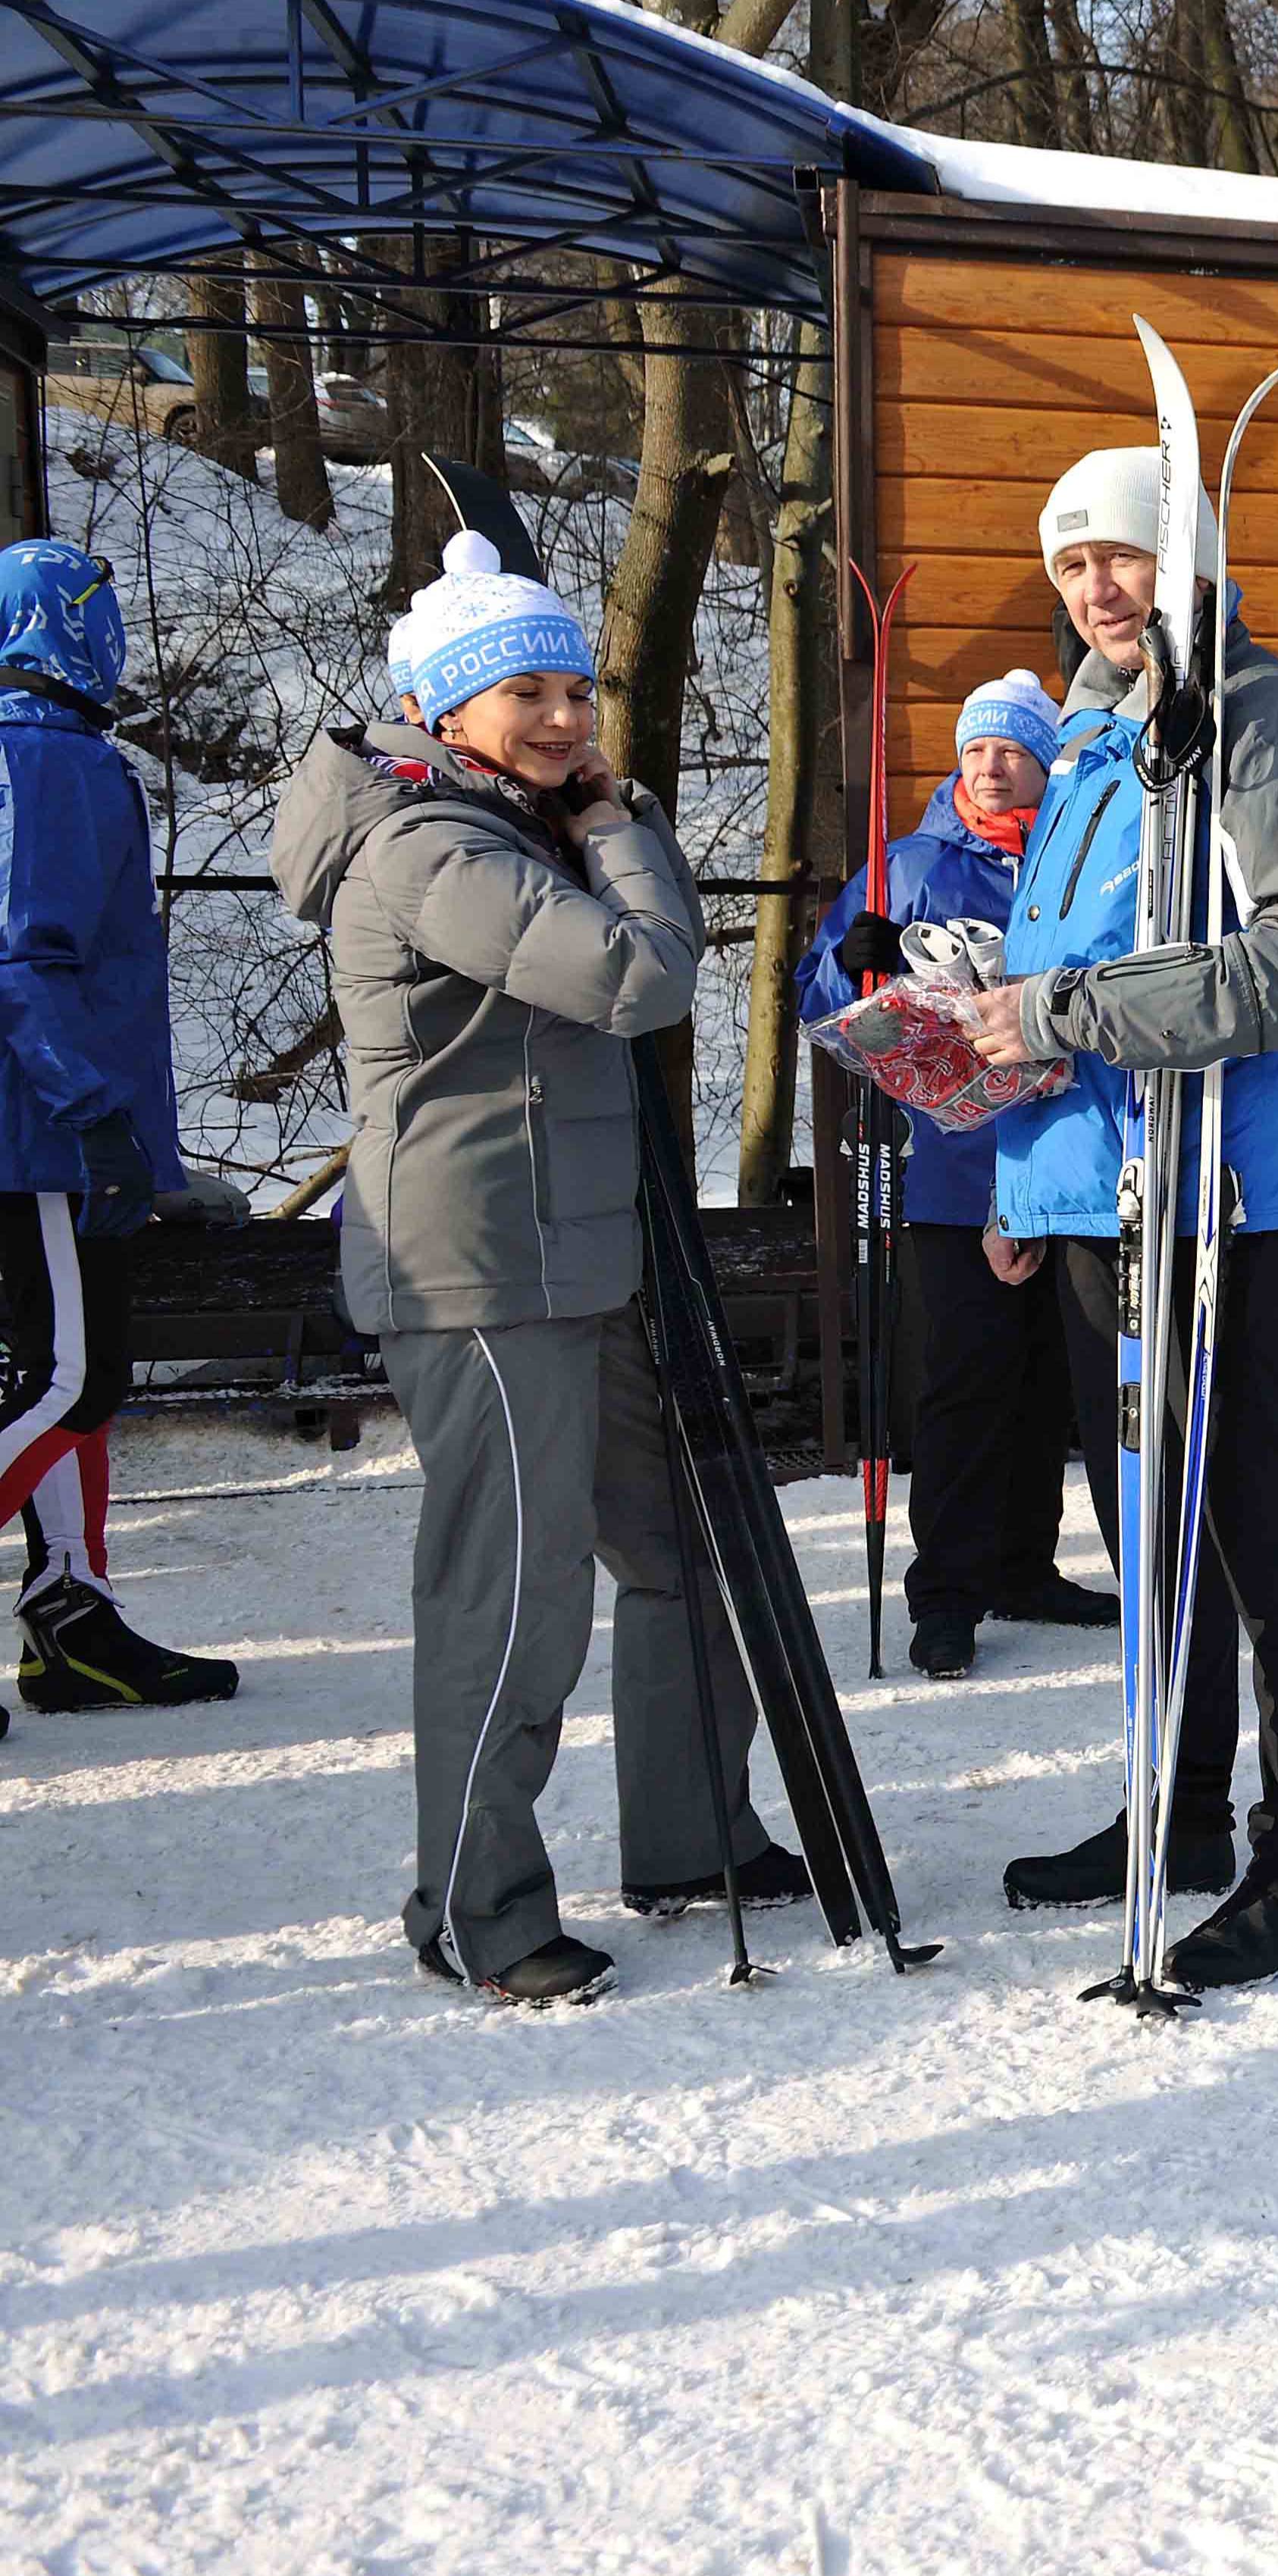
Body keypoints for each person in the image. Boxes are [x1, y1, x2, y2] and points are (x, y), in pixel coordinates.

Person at [266, 527, 799, 2006]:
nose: (565, 719)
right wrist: (619, 817)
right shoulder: (435, 846)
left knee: (680, 1547)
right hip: (485, 1275)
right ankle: (477, 1906)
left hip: (576, 1262)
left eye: (577, 690)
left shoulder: (504, 824)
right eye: (529, 695)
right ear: (448, 709)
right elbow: (637, 976)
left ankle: (690, 1836)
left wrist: (582, 817)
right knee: (512, 1595)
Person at [954, 446, 1278, 1991]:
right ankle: (1182, 1809)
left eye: (1121, 557)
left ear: (1187, 556)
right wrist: (1016, 1162)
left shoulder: (1267, 724)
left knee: (1269, 1538)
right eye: (1071, 567)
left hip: (1233, 1202)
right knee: (1153, 1542)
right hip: (1091, 1199)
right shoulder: (1087, 747)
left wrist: (1060, 1012)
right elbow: (1059, 981)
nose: (1097, 589)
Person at [792, 668, 1117, 1680]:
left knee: (1051, 1382)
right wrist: (860, 960)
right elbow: (823, 990)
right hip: (954, 1165)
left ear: (1044, 760)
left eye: (1011, 748)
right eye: (976, 749)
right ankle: (946, 1591)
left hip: (1064, 1158)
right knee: (965, 1383)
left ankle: (1024, 1562)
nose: (990, 765)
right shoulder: (916, 864)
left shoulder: (1074, 857)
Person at [0, 537, 233, 1719]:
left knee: (62, 1375)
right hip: (42, 1125)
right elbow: (22, 952)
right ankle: (69, 1608)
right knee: (73, 1375)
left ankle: (71, 1615)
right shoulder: (44, 756)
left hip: (48, 1115)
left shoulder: (51, 751)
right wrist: (94, 1117)